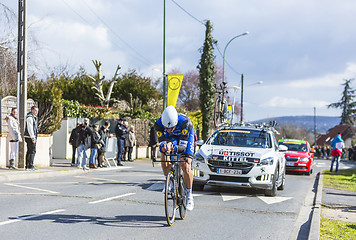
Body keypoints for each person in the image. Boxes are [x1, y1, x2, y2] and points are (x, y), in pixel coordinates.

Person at [154, 105, 195, 211]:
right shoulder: (158, 125)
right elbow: (163, 140)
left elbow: (182, 147)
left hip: (184, 135)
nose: (169, 130)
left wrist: (175, 148)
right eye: (166, 128)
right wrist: (166, 147)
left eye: (171, 128)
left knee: (185, 164)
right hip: (171, 138)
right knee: (164, 152)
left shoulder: (184, 123)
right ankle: (169, 180)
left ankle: (189, 195)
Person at [24, 106, 38, 170]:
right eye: (35, 110)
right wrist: (33, 138)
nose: (36, 112)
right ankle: (30, 165)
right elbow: (30, 128)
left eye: (37, 111)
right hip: (29, 137)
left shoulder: (32, 117)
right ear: (32, 110)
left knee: (29, 151)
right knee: (32, 151)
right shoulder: (30, 117)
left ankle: (28, 165)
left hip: (29, 137)